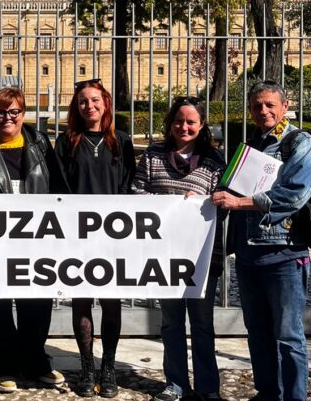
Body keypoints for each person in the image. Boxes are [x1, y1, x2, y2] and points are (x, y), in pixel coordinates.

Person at [211, 80, 311, 401]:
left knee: (288, 336)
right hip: (248, 255)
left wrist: (239, 203)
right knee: (257, 333)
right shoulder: (251, 146)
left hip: (284, 252)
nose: (263, 111)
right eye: (257, 106)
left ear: (285, 106)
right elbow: (228, 187)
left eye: (270, 104)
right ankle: (268, 393)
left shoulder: (300, 142)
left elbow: (294, 195)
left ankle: (294, 397)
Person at [132, 97, 227, 401]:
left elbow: (224, 202)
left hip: (203, 256)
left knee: (202, 323)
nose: (183, 127)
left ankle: (208, 386)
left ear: (201, 125)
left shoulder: (214, 159)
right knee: (171, 322)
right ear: (170, 123)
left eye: (190, 122)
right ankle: (175, 382)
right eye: (178, 121)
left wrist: (201, 203)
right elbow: (137, 192)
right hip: (165, 255)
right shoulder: (153, 154)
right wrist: (170, 205)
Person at [0, 87, 68, 393]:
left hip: (37, 237)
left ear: (23, 113)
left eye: (14, 112)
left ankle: (35, 362)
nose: (8, 118)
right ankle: (3, 366)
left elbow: (57, 186)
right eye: (1, 112)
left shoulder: (40, 143)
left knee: (37, 302)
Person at [55, 79, 135, 399]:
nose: (89, 106)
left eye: (95, 100)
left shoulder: (122, 141)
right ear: (76, 107)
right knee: (82, 301)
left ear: (106, 103)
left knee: (112, 302)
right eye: (83, 101)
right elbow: (59, 187)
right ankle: (87, 366)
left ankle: (109, 367)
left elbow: (130, 185)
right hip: (78, 234)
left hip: (113, 235)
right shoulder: (67, 142)